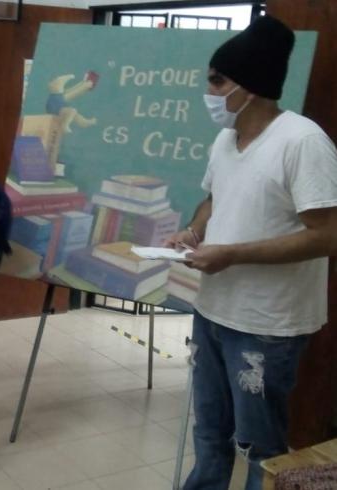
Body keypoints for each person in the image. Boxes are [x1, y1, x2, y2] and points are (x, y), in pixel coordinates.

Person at [165, 16, 337, 490]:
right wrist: (193, 231)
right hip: (212, 309)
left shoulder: (303, 142)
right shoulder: (226, 138)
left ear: (252, 86)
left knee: (260, 445)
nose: (209, 91)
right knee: (209, 430)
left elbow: (327, 235)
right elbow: (214, 197)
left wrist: (233, 254)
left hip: (266, 326)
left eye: (217, 80)